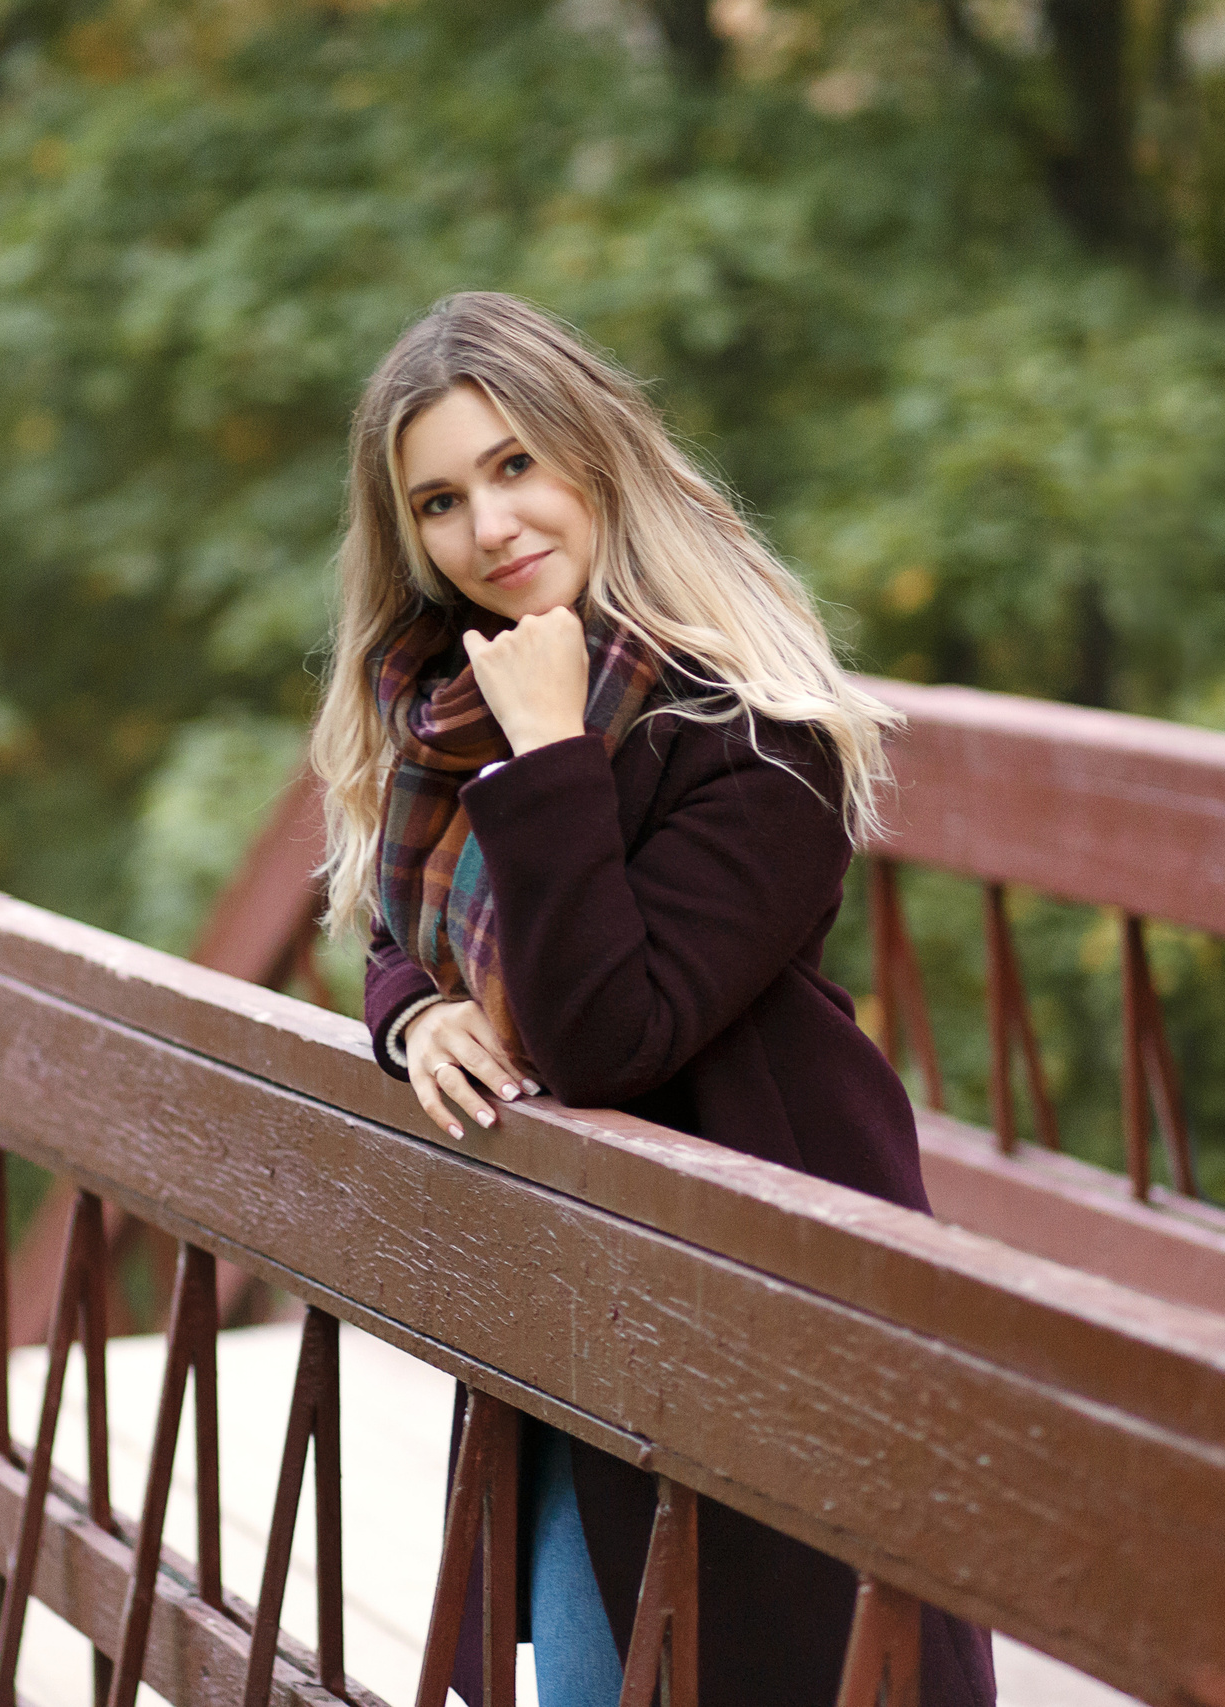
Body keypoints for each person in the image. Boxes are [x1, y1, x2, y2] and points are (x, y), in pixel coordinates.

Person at [308, 292, 997, 1707]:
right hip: (579, 1302)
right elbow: (407, 934)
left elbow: (605, 1037)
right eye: (440, 501)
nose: (488, 528)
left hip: (767, 1285)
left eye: (514, 467)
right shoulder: (450, 705)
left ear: (594, 454)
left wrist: (552, 742)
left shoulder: (757, 733)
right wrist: (412, 1019)